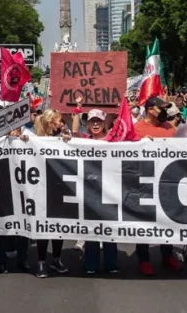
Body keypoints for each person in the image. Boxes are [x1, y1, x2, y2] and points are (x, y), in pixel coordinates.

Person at [132, 97, 182, 274]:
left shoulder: (170, 128)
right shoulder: (136, 129)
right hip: (144, 183)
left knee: (166, 220)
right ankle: (144, 259)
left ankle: (167, 255)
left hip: (167, 182)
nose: (165, 112)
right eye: (162, 108)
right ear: (151, 110)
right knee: (144, 221)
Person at [71, 107, 120, 274]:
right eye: (92, 121)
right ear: (88, 124)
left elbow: (132, 141)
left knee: (109, 227)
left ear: (104, 123)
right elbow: (75, 131)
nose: (96, 124)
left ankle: (111, 263)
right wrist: (77, 108)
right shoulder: (84, 139)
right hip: (90, 190)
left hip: (110, 190)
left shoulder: (113, 140)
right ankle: (91, 264)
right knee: (91, 227)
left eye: (99, 121)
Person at [28, 109, 71, 278]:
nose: (62, 124)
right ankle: (40, 262)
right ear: (50, 123)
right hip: (40, 189)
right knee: (43, 228)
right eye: (60, 121)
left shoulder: (62, 139)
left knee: (58, 227)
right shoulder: (34, 139)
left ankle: (56, 259)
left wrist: (68, 141)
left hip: (59, 188)